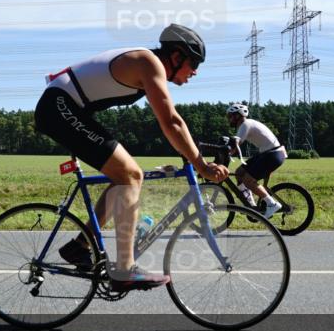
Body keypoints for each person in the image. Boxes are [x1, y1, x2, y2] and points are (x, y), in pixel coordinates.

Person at [34, 24, 229, 289]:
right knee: (130, 175)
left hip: (67, 106)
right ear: (176, 57)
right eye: (193, 63)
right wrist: (200, 164)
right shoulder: (149, 63)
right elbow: (170, 122)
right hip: (59, 107)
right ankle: (124, 270)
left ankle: (79, 246)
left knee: (123, 177)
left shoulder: (148, 64)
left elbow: (168, 122)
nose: (195, 71)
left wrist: (191, 151)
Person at [225, 103, 286, 218]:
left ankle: (272, 204)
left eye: (230, 116)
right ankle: (250, 205)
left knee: (248, 180)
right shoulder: (245, 124)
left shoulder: (245, 124)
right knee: (239, 173)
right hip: (268, 153)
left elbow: (236, 145)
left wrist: (226, 153)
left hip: (272, 154)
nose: (229, 119)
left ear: (238, 116)